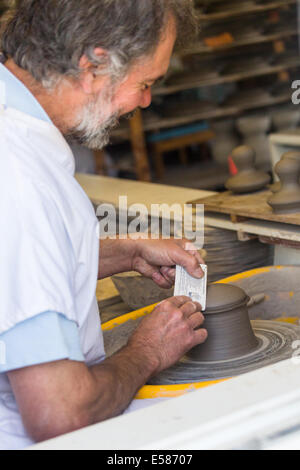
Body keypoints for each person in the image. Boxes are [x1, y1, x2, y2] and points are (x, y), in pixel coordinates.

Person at [0, 0, 208, 450]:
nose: (145, 101)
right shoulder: (17, 179)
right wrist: (149, 351)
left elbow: (19, 269)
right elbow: (60, 415)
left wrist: (128, 251)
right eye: (145, 82)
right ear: (93, 66)